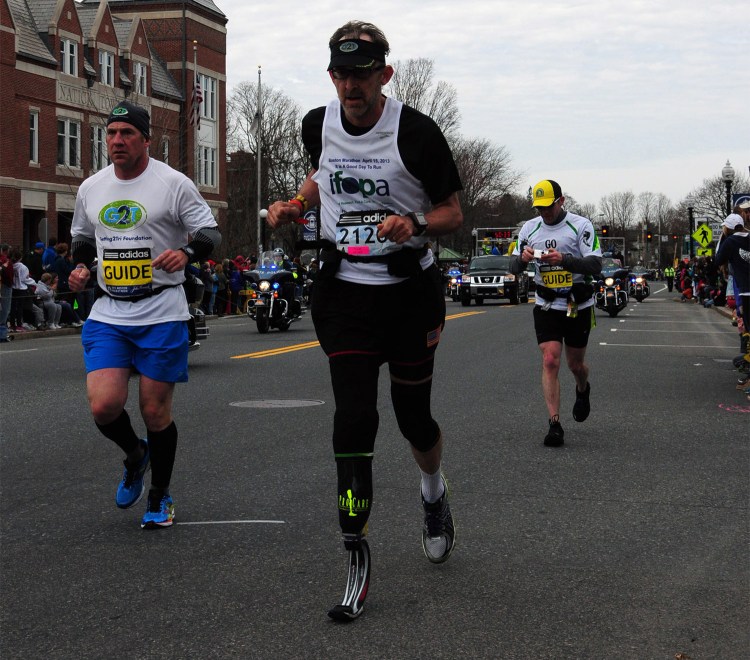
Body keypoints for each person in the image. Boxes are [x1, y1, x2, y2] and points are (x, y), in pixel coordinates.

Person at [266, 19, 463, 621]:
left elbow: (453, 211)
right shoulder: (315, 124)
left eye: (362, 73)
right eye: (341, 74)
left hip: (407, 291)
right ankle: (355, 547)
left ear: (386, 73)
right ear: (331, 75)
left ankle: (433, 493)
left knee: (413, 419)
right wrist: (296, 204)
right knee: (354, 416)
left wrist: (417, 223)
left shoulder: (417, 133)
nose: (351, 85)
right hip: (345, 291)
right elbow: (321, 175)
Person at [68, 100, 221, 529]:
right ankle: (136, 455)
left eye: (127, 133)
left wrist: (186, 252)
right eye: (112, 133)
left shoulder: (172, 184)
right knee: (104, 406)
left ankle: (160, 496)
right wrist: (81, 267)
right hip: (110, 311)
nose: (117, 140)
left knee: (155, 411)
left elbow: (210, 231)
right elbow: (82, 237)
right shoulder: (91, 188)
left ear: (146, 140)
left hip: (162, 311)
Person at [510, 179, 602, 447]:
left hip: (576, 303)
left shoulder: (580, 225)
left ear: (561, 201)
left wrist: (563, 259)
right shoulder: (529, 228)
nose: (544, 213)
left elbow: (595, 264)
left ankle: (582, 388)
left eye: (548, 207)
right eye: (539, 208)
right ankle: (554, 424)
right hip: (547, 303)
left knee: (575, 365)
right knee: (550, 360)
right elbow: (513, 265)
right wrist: (523, 258)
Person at [0, 243, 13, 342]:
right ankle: (2, 334)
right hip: (4, 286)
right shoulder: (5, 260)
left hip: (3, 285)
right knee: (5, 309)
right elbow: (8, 275)